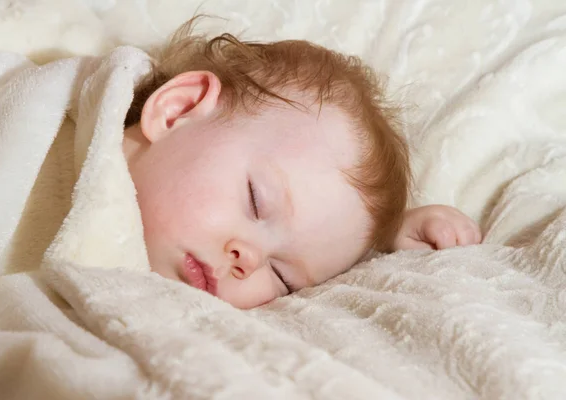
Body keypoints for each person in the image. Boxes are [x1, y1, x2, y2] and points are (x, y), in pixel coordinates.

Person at [121, 23, 482, 309]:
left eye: (281, 277)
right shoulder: (66, 122)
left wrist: (387, 237)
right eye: (255, 202)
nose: (250, 258)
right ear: (177, 110)